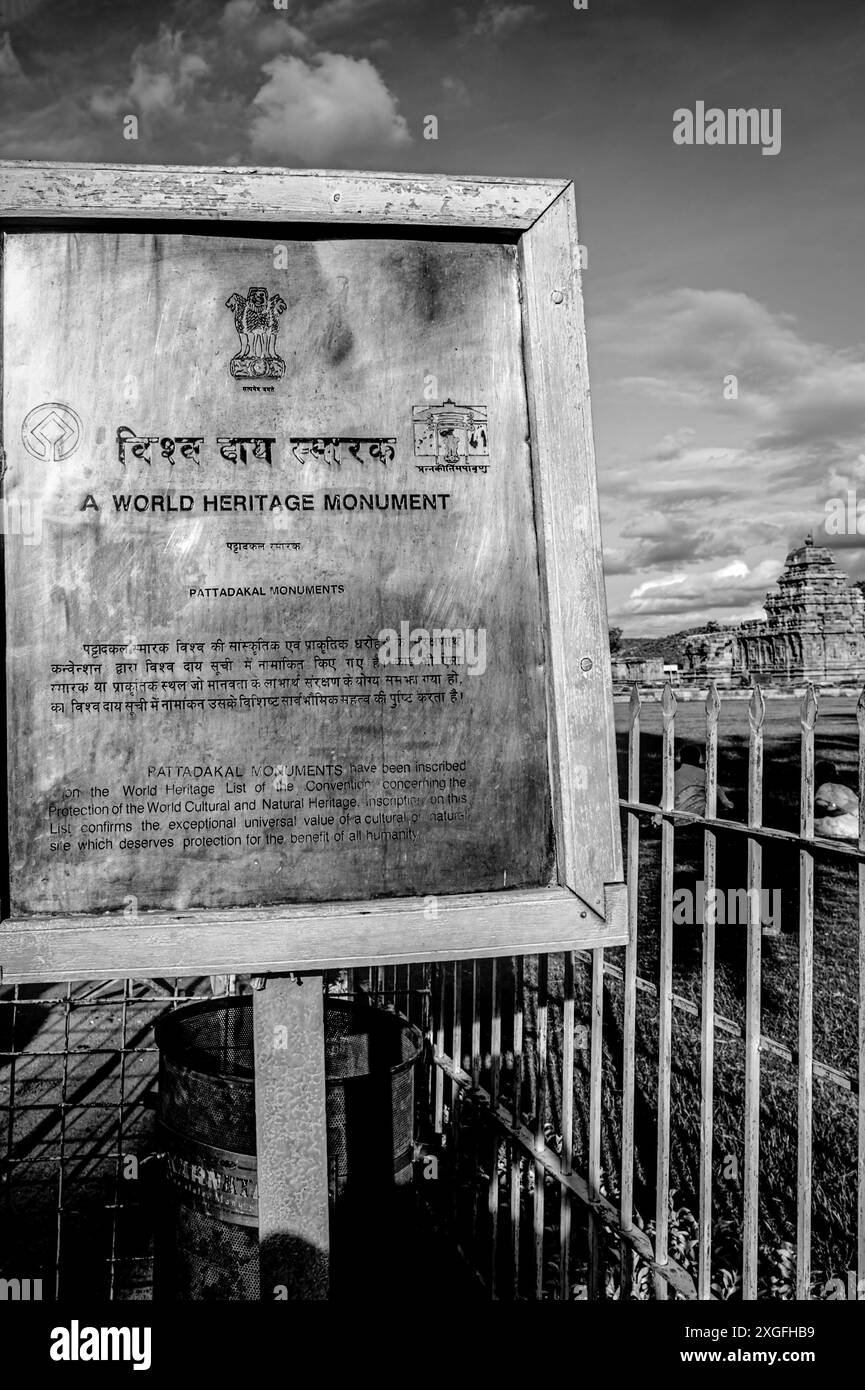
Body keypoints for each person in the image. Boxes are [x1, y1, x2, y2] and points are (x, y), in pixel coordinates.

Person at [674, 742, 734, 815]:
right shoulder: (704, 774)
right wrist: (726, 802)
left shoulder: (674, 776)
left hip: (678, 816)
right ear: (698, 760)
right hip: (700, 815)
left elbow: (665, 800)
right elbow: (717, 788)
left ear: (681, 759)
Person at [813, 760, 859, 839]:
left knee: (809, 822)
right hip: (858, 824)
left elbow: (822, 811)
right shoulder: (845, 788)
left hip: (844, 825)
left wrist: (843, 810)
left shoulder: (824, 787)